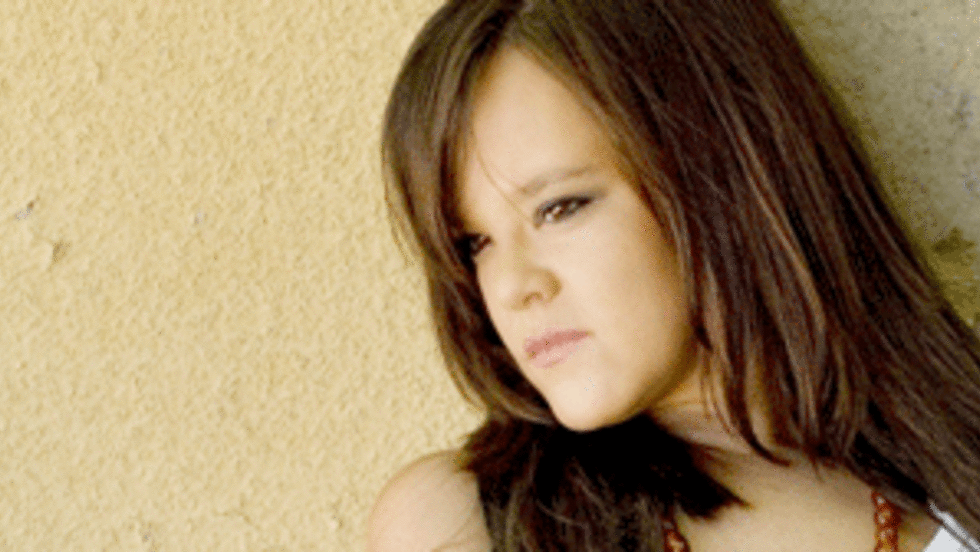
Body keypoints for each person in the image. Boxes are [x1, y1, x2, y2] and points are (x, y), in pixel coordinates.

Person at [368, 0, 980, 550]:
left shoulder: (954, 465)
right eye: (475, 243)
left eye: (560, 208)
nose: (511, 286)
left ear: (718, 169)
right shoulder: (464, 524)